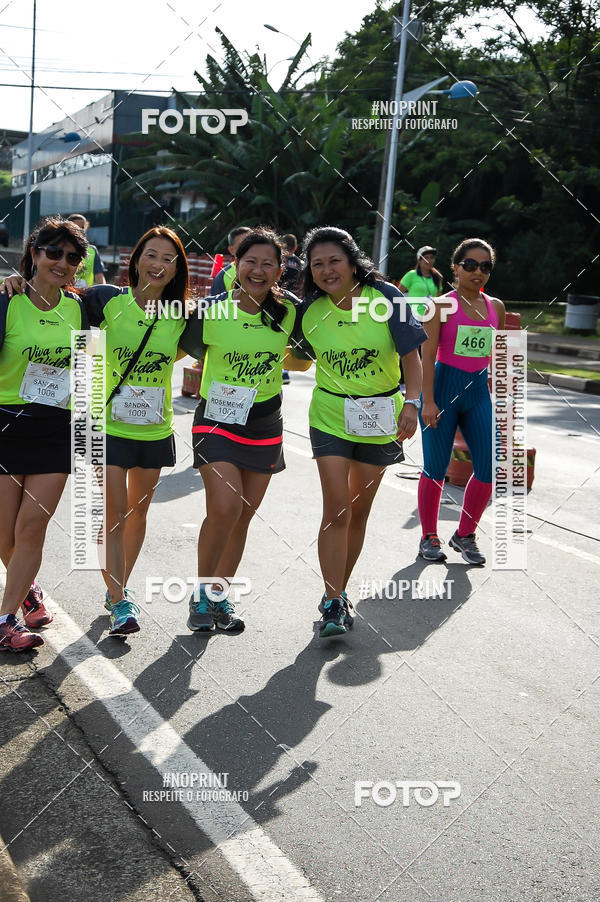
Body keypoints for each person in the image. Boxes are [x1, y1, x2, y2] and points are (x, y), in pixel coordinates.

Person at [1, 226, 192, 637]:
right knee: (101, 514)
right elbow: (46, 297)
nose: (158, 265)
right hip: (85, 424)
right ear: (136, 259)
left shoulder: (180, 316)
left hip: (143, 428)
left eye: (168, 259)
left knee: (130, 514)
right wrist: (12, 281)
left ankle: (111, 593)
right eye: (151, 255)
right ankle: (108, 597)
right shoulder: (101, 301)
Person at [292, 227, 426, 639]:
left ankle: (340, 589)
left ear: (352, 261)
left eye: (334, 261)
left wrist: (413, 403)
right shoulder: (308, 311)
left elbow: (412, 357)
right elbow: (296, 361)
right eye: (317, 264)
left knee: (358, 510)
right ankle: (333, 600)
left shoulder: (387, 299)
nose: (327, 270)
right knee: (337, 506)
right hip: (329, 415)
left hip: (380, 415)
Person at [179, 228, 310, 634]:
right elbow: (175, 348)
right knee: (224, 509)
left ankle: (219, 597)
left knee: (243, 518)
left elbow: (304, 363)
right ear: (236, 264)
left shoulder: (290, 312)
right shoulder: (211, 310)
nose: (258, 269)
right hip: (216, 420)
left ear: (280, 268)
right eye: (250, 261)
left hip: (266, 424)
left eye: (268, 263)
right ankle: (201, 594)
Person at [0, 216, 88, 652]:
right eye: (54, 252)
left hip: (55, 429)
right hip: (6, 425)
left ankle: (5, 620)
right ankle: (27, 588)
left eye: (72, 257)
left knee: (32, 526)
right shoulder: (7, 302)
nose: (63, 262)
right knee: (5, 534)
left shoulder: (81, 308)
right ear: (34, 253)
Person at [417, 238, 505, 566]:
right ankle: (428, 536)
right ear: (455, 267)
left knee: (487, 467)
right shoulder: (440, 305)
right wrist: (427, 401)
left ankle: (464, 533)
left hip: (478, 393)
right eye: (470, 264)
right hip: (442, 391)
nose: (477, 272)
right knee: (436, 468)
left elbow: (496, 354)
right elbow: (426, 356)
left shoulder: (495, 306)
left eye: (485, 267)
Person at [66, 213, 107, 288]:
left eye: (82, 227)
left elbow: (99, 276)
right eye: (76, 227)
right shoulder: (62, 249)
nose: (80, 230)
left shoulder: (92, 250)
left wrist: (104, 292)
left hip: (86, 296)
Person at [210, 226, 252, 294]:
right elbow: (214, 303)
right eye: (242, 245)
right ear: (231, 250)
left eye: (251, 244)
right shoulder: (223, 276)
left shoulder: (269, 269)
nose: (248, 249)